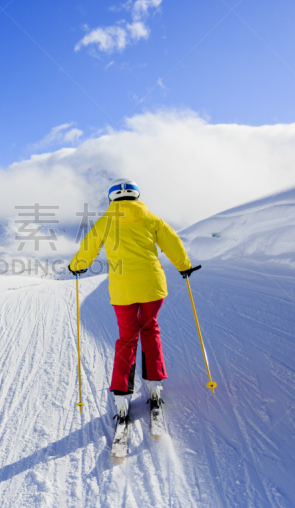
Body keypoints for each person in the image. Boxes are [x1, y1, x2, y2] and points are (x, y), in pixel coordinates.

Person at [68, 178, 195, 420]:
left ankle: (121, 396)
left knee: (127, 338)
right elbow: (173, 243)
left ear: (111, 198)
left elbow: (89, 248)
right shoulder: (152, 219)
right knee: (150, 330)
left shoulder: (105, 222)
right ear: (136, 197)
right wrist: (184, 267)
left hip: (123, 290)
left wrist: (77, 266)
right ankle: (155, 385)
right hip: (152, 287)